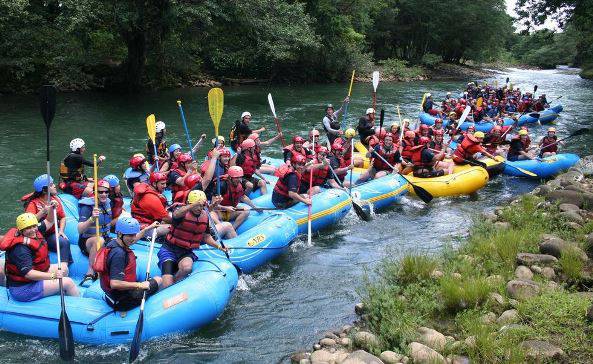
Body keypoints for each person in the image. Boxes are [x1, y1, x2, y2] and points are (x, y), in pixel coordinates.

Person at [1, 212, 79, 302]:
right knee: (68, 283)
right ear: (21, 230)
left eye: (34, 226)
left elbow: (50, 221)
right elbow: (28, 274)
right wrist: (53, 276)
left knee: (63, 269)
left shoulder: (35, 231)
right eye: (28, 228)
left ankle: (60, 292)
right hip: (23, 289)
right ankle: (78, 305)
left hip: (32, 279)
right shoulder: (20, 249)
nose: (33, 230)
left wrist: (50, 208)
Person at [158, 190, 228, 289]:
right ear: (190, 204)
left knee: (187, 268)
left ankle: (174, 284)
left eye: (201, 205)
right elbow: (176, 215)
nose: (200, 208)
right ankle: (167, 286)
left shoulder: (204, 216)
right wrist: (193, 204)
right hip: (169, 249)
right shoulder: (181, 212)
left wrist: (219, 246)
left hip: (185, 251)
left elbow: (206, 237)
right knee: (167, 284)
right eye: (197, 206)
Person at [96, 217, 161, 311]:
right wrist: (140, 285)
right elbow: (115, 284)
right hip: (122, 300)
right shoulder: (119, 255)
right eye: (130, 235)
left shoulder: (113, 242)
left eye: (134, 234)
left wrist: (149, 228)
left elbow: (134, 239)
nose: (133, 238)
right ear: (119, 234)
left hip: (112, 295)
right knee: (158, 280)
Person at [22, 174, 72, 266]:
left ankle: (65, 266)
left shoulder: (55, 200)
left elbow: (63, 217)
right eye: (51, 185)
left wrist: (61, 231)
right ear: (45, 190)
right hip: (37, 234)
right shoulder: (33, 204)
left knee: (64, 242)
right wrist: (43, 211)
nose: (54, 186)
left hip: (51, 234)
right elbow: (28, 223)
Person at [77, 179, 115, 281]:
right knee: (99, 240)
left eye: (106, 192)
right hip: (88, 241)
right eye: (100, 192)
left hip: (105, 237)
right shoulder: (87, 207)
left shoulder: (108, 203)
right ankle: (91, 270)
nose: (104, 194)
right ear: (95, 192)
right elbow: (80, 230)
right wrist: (91, 219)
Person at [208, 166, 261, 233]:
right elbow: (213, 205)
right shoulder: (222, 186)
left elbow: (243, 197)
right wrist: (225, 208)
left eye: (240, 177)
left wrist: (255, 207)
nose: (239, 179)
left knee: (246, 211)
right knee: (211, 215)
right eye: (236, 177)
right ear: (230, 177)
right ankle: (221, 228)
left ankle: (232, 229)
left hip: (229, 212)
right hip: (218, 212)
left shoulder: (239, 184)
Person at [131, 172, 172, 238]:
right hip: (144, 228)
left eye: (165, 183)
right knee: (173, 227)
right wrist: (180, 223)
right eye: (162, 184)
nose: (165, 186)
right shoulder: (151, 198)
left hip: (142, 222)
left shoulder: (148, 189)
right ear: (154, 184)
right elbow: (165, 218)